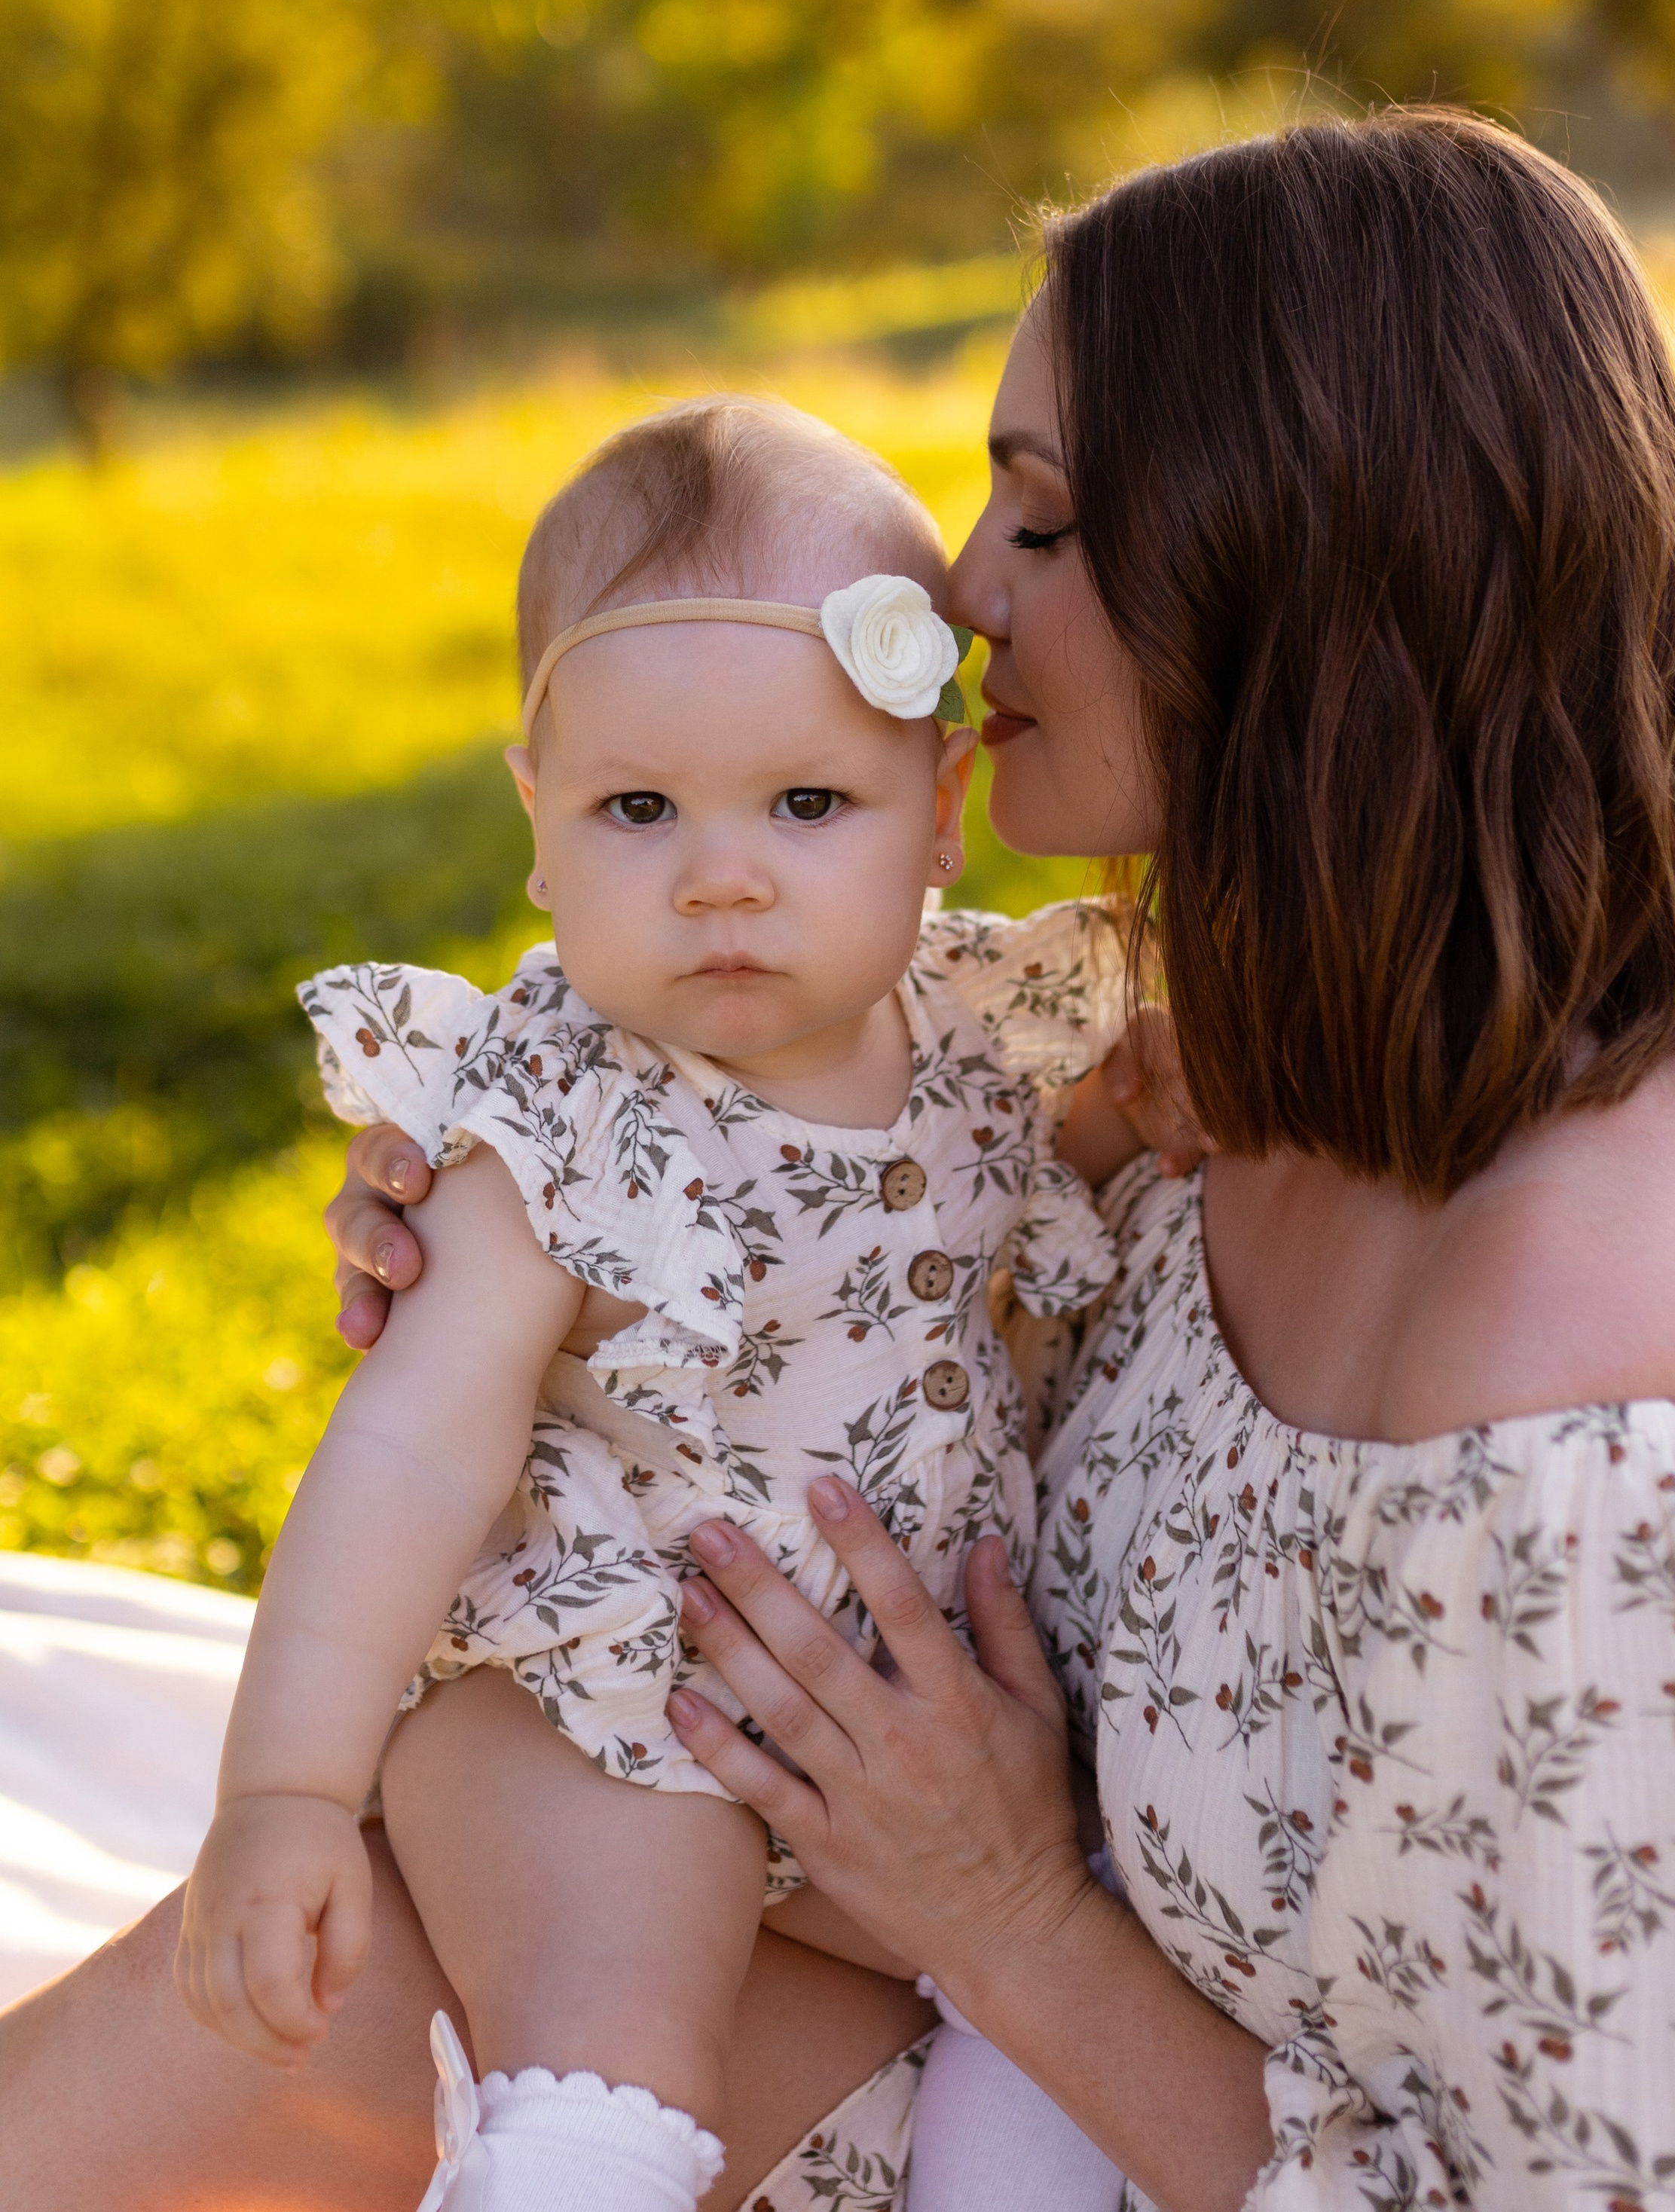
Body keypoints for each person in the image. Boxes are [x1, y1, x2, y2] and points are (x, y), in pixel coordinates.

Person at [1, 108, 1675, 2211]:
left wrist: (1010, 1917)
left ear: (1293, 566)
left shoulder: (1608, 1387)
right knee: (253, 2018)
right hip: (865, 1952)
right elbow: (869, 1281)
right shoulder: (1201, 1070)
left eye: (1050, 519)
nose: (961, 592)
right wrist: (573, 1235)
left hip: (1062, 2078)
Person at [173, 396, 1132, 2212]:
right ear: (536, 825)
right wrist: (287, 1787)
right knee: (615, 2044)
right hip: (601, 1698)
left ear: (936, 811)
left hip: (894, 1734)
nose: (720, 874)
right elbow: (408, 1447)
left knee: (1057, 2040)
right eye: (637, 808)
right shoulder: (557, 1106)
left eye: (803, 801)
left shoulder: (990, 1035)